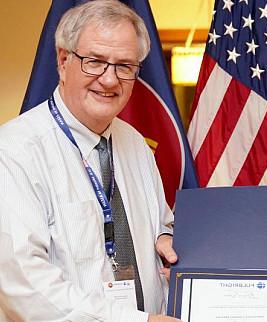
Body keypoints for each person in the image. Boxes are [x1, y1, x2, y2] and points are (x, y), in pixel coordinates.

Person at [0, 1, 180, 321]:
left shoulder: (136, 144)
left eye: (124, 66)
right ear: (63, 60)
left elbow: (159, 227)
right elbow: (23, 284)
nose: (110, 80)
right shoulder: (14, 151)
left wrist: (165, 239)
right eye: (95, 61)